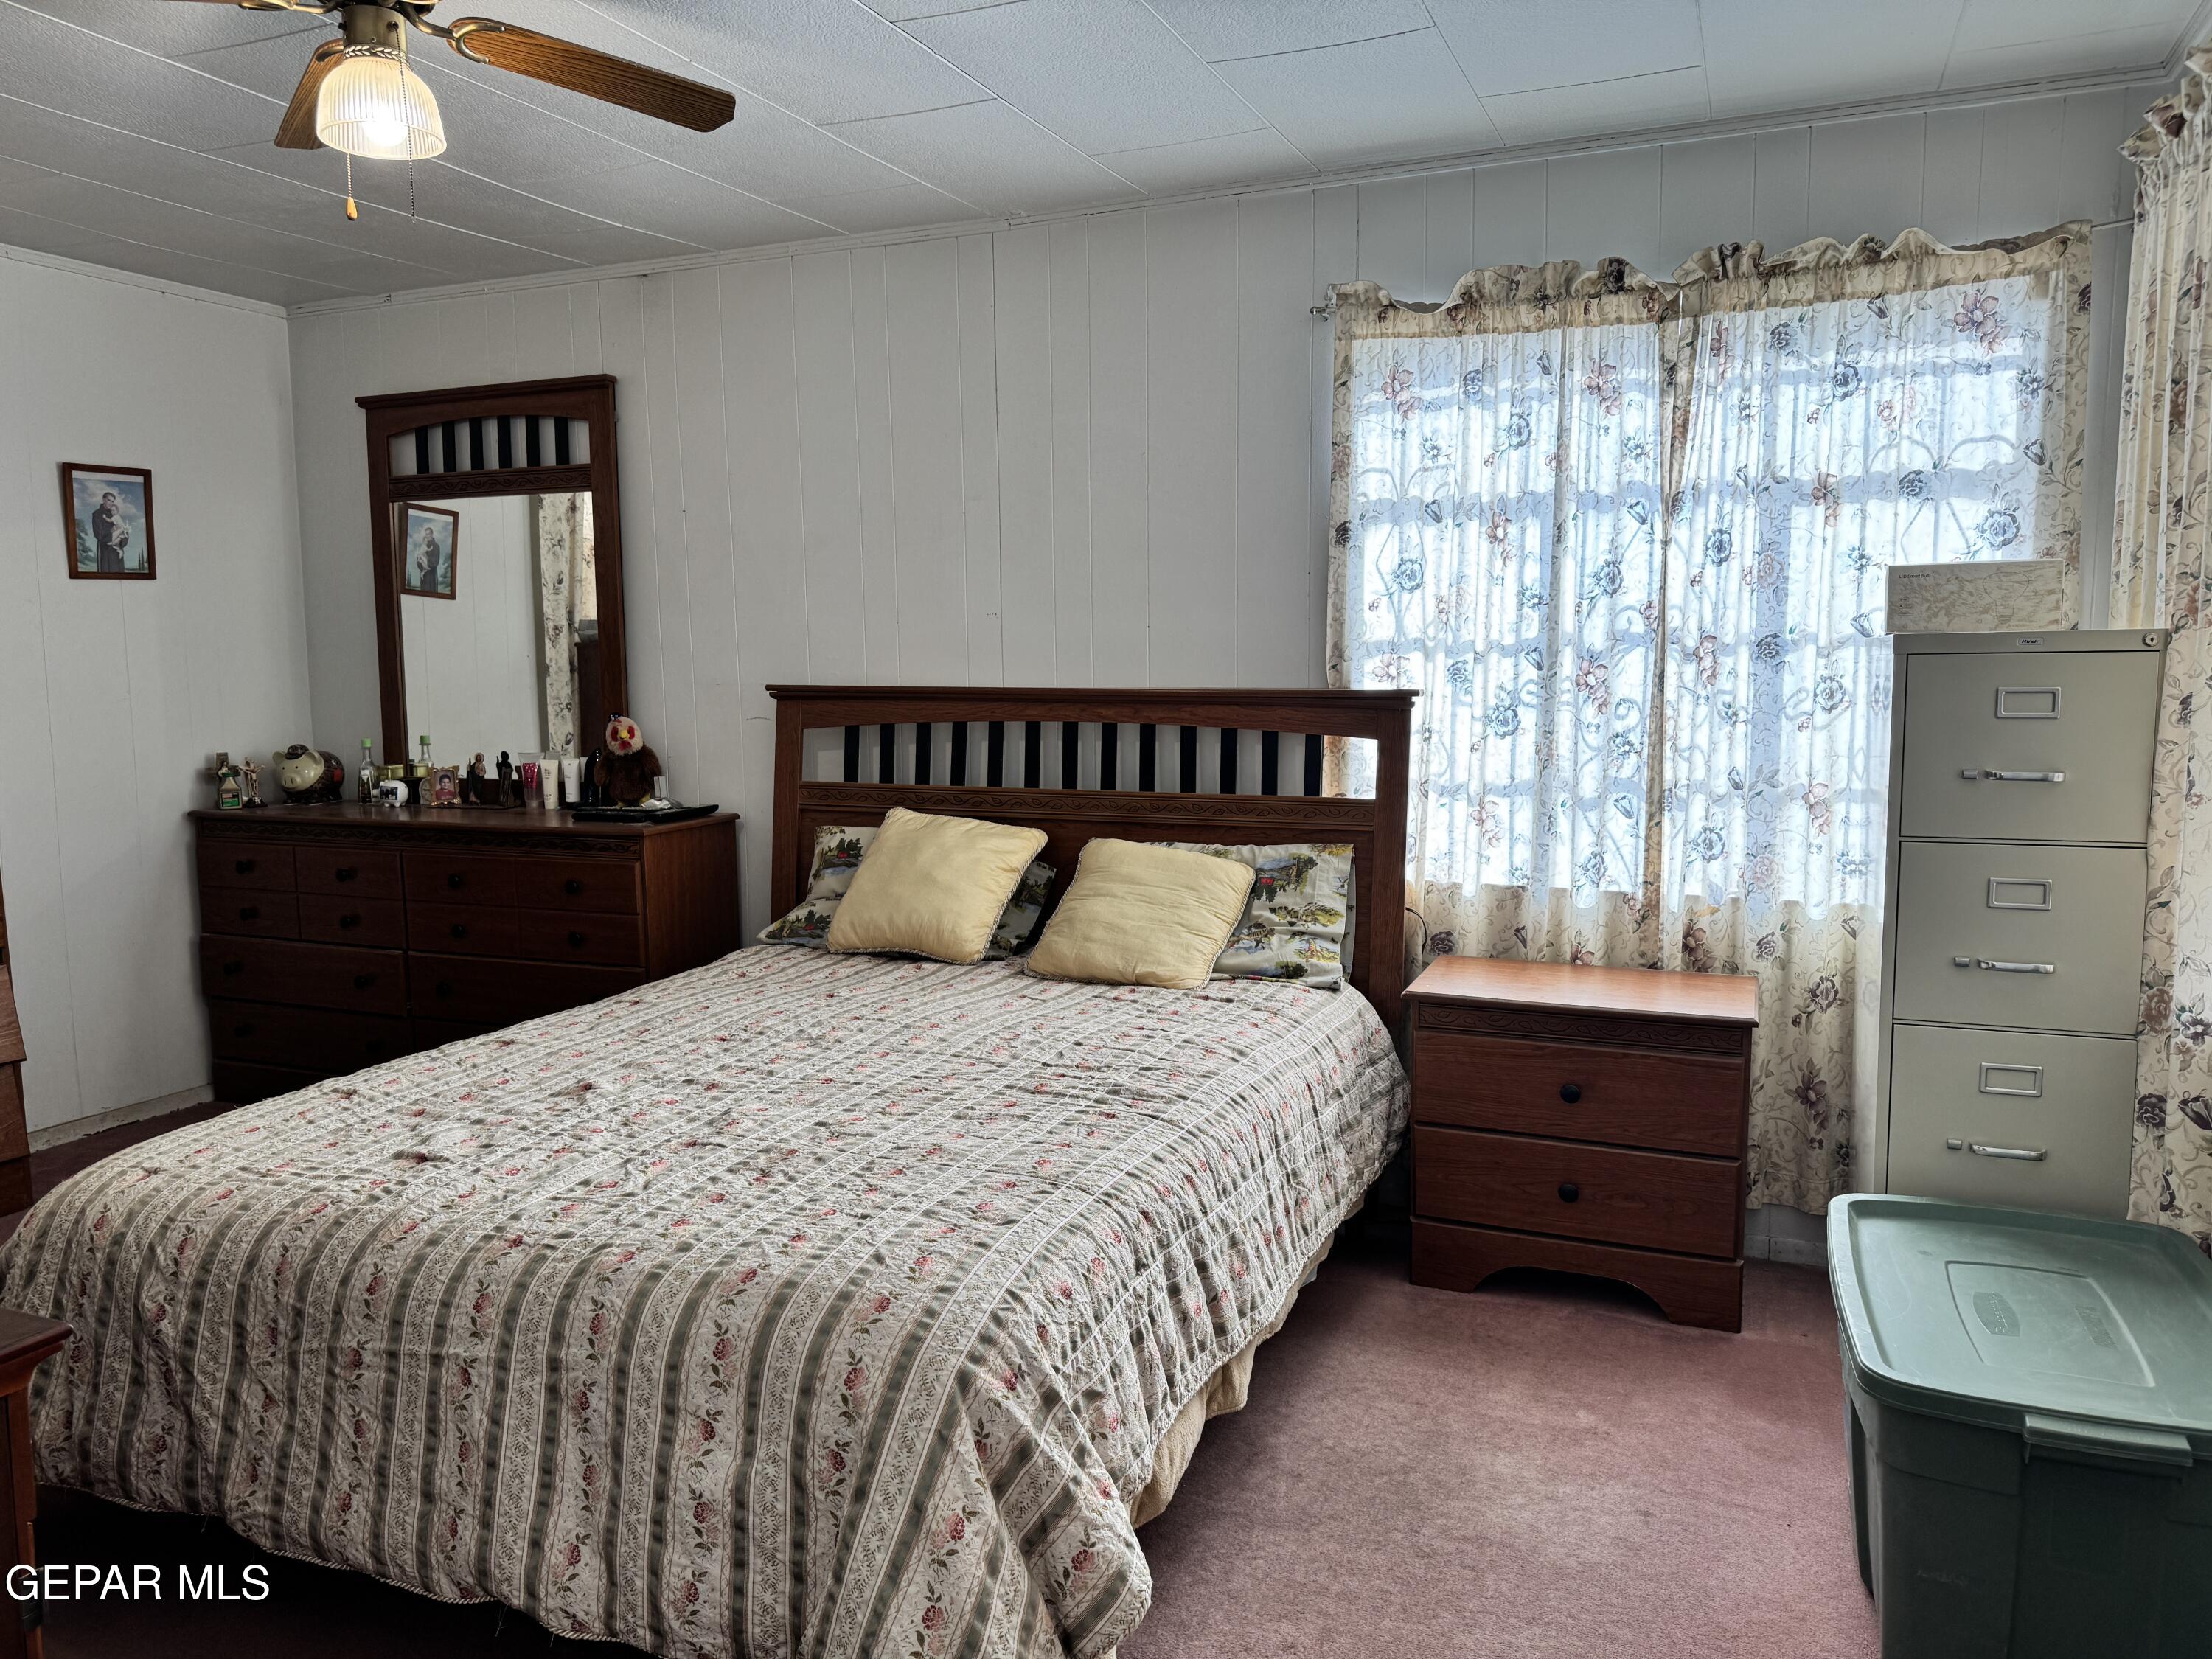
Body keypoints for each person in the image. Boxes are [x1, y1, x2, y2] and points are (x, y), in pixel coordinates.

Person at [88, 488, 131, 573]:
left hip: (117, 552)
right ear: (104, 499)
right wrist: (111, 530)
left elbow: (123, 529)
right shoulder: (97, 514)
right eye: (109, 500)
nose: (111, 503)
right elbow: (98, 534)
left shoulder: (115, 513)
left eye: (112, 501)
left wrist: (123, 540)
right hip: (106, 551)